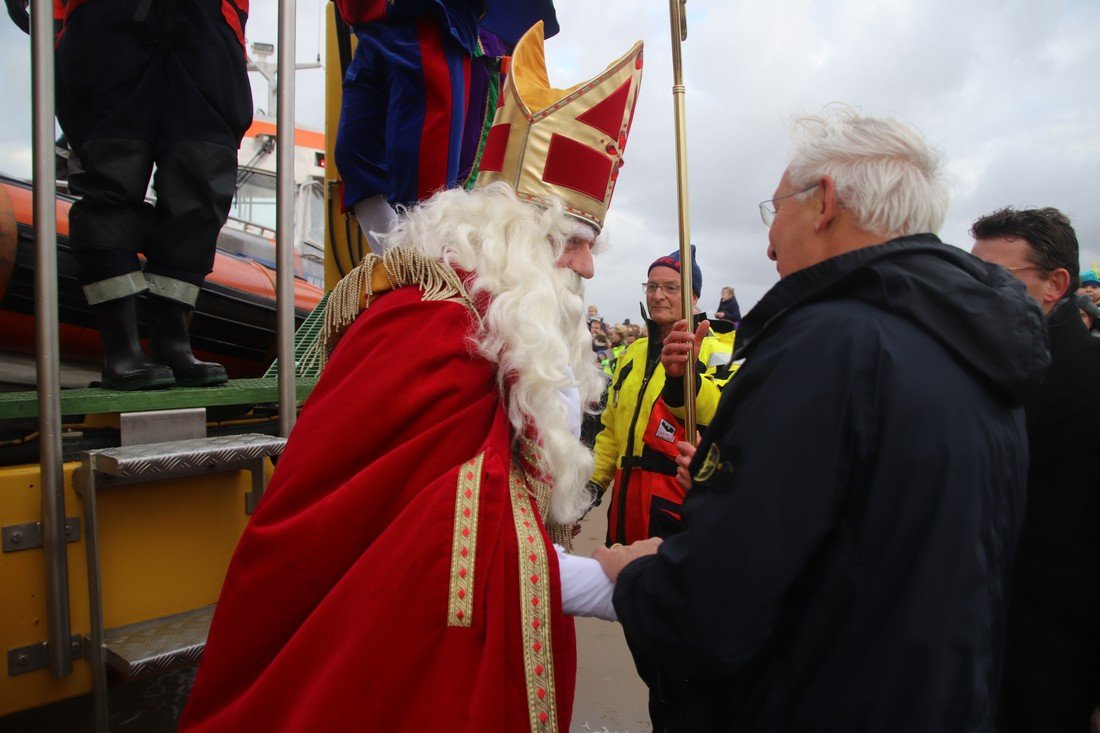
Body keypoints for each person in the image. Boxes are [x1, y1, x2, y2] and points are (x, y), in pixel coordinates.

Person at [180, 22, 643, 732]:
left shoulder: (490, 326)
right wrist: (607, 583)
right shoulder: (433, 327)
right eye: (576, 242)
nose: (586, 267)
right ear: (520, 235)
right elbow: (424, 560)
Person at [598, 106, 1050, 732]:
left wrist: (636, 578)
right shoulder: (979, 349)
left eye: (773, 210)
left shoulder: (827, 347)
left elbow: (710, 614)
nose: (767, 241)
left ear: (825, 202)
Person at [6, 0, 252, 389]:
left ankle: (171, 340)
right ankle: (120, 350)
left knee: (202, 183)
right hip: (105, 19)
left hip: (209, 23)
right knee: (111, 177)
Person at [969, 206, 1100, 733]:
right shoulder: (978, 372)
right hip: (978, 652)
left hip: (1059, 662)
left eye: (996, 279)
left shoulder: (1089, 383)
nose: (976, 293)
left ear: (1055, 285)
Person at [332, 1, 559, 252]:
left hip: (433, 19)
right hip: (372, 23)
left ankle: (418, 271)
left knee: (424, 178)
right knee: (354, 155)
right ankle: (400, 265)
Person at [589, 244, 727, 547]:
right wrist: (594, 486)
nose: (657, 295)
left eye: (670, 287)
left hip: (675, 506)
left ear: (693, 297)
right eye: (651, 286)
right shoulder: (631, 353)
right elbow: (611, 431)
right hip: (623, 506)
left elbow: (725, 417)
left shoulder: (717, 351)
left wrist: (684, 381)